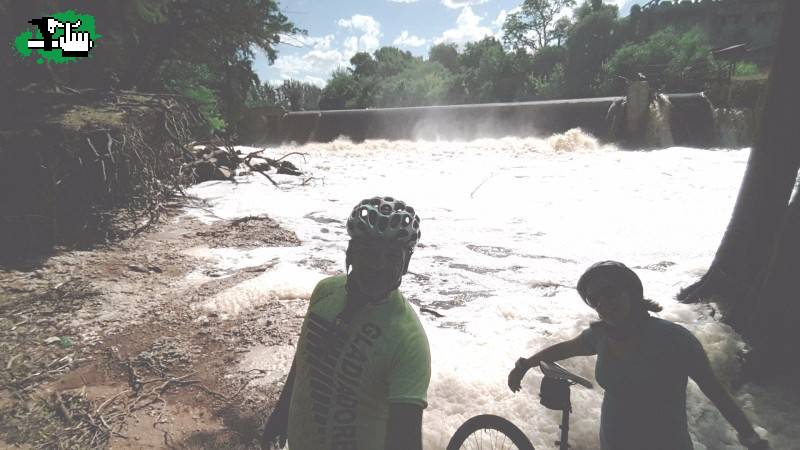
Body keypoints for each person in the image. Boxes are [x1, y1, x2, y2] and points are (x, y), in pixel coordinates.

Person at [507, 261, 770, 450]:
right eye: (595, 299)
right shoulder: (600, 336)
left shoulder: (675, 339)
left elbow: (716, 392)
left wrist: (750, 437)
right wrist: (526, 364)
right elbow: (564, 348)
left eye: (610, 292)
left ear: (631, 291)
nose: (603, 303)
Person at [261, 196, 431, 450]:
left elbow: (404, 440)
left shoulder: (408, 340)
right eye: (369, 252)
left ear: (406, 264)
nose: (378, 265)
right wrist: (280, 414)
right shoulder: (326, 292)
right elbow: (304, 360)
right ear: (350, 253)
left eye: (392, 256)